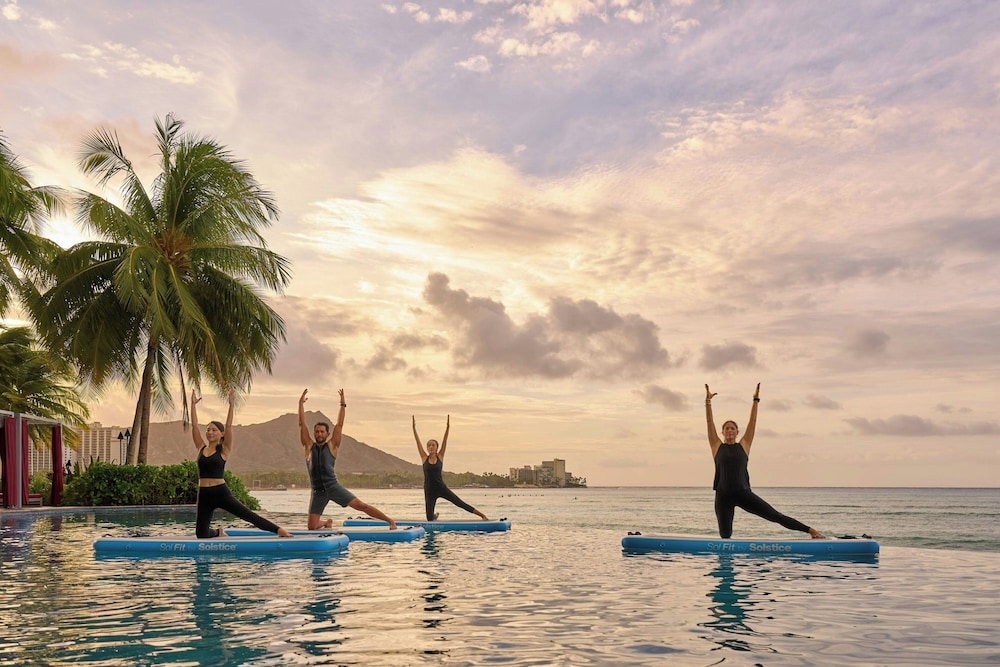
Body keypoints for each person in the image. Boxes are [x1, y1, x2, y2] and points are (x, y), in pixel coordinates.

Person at [705, 383, 825, 540]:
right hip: (723, 497)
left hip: (743, 493)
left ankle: (811, 531)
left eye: (732, 428)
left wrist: (756, 400)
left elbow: (752, 423)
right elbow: (709, 423)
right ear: (722, 432)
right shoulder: (716, 446)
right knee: (725, 536)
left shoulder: (744, 445)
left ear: (737, 432)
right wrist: (708, 402)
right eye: (726, 428)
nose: (729, 430)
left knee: (775, 516)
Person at [191, 388, 291, 538]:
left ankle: (279, 530)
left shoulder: (224, 449)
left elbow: (229, 426)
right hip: (204, 494)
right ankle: (219, 533)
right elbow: (194, 426)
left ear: (221, 434)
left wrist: (231, 404)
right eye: (208, 430)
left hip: (220, 492)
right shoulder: (201, 448)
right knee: (201, 534)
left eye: (214, 430)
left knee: (249, 516)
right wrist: (192, 405)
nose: (209, 432)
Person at [298, 388, 396, 530]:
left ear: (327, 434)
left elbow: (339, 425)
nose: (319, 434)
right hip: (317, 491)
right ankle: (326, 523)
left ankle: (389, 521)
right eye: (317, 431)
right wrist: (300, 404)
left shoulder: (332, 446)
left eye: (322, 431)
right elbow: (301, 424)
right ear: (314, 432)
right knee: (312, 527)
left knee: (360, 505)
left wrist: (342, 404)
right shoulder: (308, 446)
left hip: (333, 487)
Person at [413, 415, 490, 521]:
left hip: (441, 488)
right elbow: (418, 443)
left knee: (460, 503)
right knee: (429, 519)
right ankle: (434, 516)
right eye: (429, 445)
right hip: (429, 490)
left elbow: (445, 441)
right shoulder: (423, 458)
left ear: (437, 447)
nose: (431, 447)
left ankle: (482, 516)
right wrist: (414, 428)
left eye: (433, 445)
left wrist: (448, 427)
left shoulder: (440, 456)